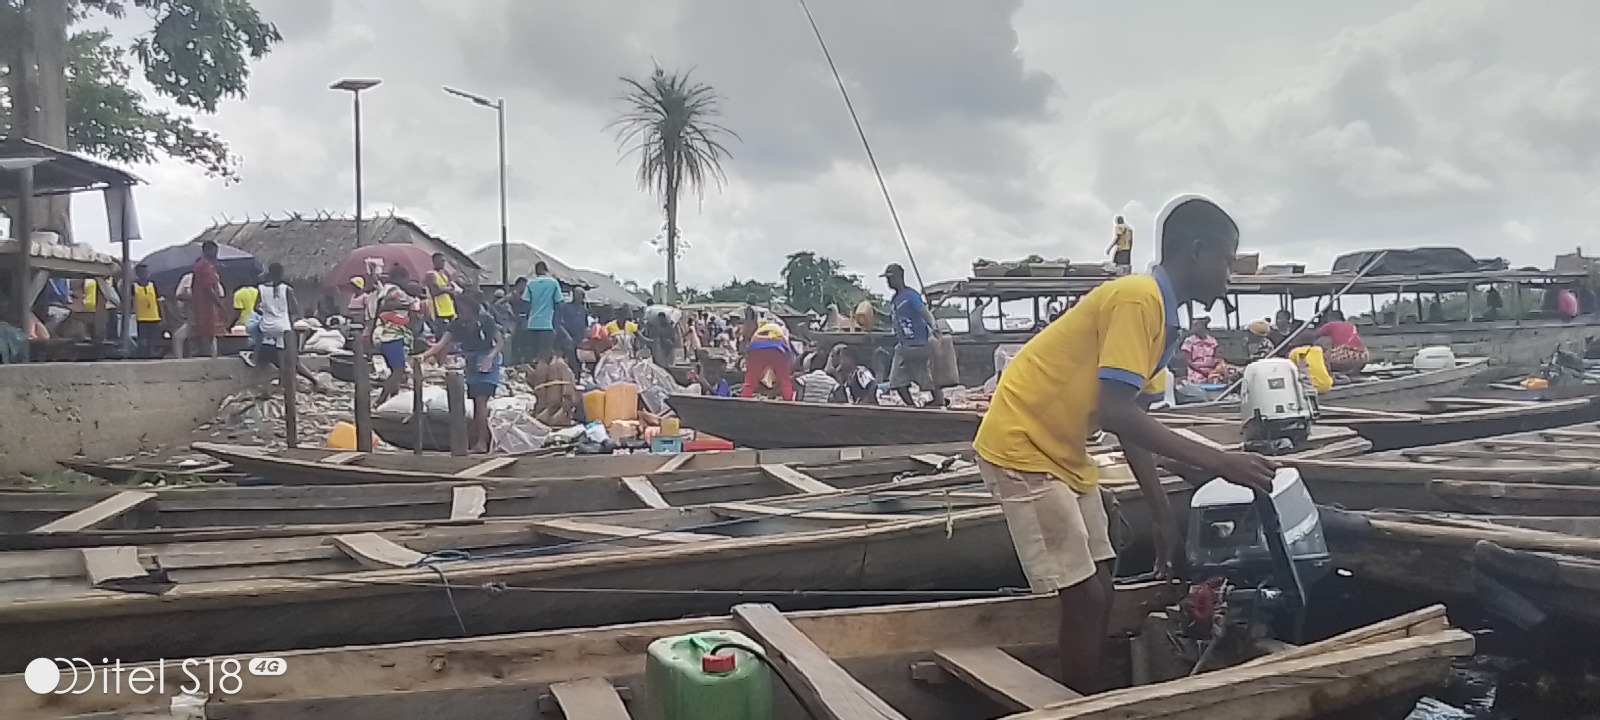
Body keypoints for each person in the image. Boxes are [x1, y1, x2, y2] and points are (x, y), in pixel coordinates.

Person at [973, 194, 1276, 693]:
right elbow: (1117, 412)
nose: (1229, 276)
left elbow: (1135, 422)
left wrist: (1162, 517)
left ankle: (1087, 692)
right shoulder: (1139, 298)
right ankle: (1081, 704)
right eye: (1226, 261)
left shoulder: (1166, 323)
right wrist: (1221, 462)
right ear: (1196, 252)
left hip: (1063, 451)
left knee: (1103, 581)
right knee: (1086, 596)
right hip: (1021, 443)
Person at [420, 290, 504, 452]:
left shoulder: (486, 321)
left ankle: (482, 442)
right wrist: (423, 356)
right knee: (476, 402)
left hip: (487, 361)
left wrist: (490, 358)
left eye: (462, 309)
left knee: (481, 400)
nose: (460, 313)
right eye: (458, 309)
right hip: (472, 363)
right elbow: (440, 344)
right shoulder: (457, 325)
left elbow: (499, 343)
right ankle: (480, 439)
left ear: (471, 309)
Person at [253, 262, 328, 390]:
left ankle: (255, 359)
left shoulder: (261, 288)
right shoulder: (287, 289)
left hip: (266, 326)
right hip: (283, 326)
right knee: (288, 358)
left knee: (274, 354)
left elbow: (256, 308)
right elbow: (295, 310)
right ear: (281, 274)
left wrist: (268, 312)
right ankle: (286, 384)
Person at [883, 263, 944, 408]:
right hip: (903, 345)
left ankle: (938, 399)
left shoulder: (911, 296)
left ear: (899, 277)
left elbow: (925, 313)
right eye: (887, 279)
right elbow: (893, 318)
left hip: (918, 343)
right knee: (896, 380)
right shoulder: (895, 299)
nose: (888, 282)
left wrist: (934, 327)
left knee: (924, 376)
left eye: (890, 278)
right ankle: (911, 405)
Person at [372, 266, 419, 405]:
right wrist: (411, 305)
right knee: (398, 371)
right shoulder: (394, 291)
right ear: (400, 279)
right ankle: (380, 400)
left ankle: (392, 400)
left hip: (388, 335)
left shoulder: (386, 290)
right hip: (391, 336)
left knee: (396, 371)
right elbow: (390, 304)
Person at [187, 241, 227, 358]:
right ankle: (207, 358)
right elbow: (208, 288)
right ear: (207, 251)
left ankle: (206, 356)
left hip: (201, 304)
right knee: (208, 332)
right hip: (206, 305)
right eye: (214, 251)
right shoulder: (205, 266)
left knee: (205, 332)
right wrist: (219, 304)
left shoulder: (200, 266)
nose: (216, 254)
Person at [521, 261, 563, 364]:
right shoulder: (553, 283)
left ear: (535, 271)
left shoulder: (531, 283)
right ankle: (543, 372)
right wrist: (557, 325)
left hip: (532, 324)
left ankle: (533, 371)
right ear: (546, 270)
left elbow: (526, 304)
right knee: (545, 355)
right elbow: (558, 304)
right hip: (547, 324)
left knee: (532, 355)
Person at [741, 321, 795, 400]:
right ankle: (789, 400)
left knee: (750, 380)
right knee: (785, 381)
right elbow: (788, 353)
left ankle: (744, 399)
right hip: (777, 350)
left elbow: (749, 351)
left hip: (757, 349)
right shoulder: (780, 332)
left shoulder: (758, 332)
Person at [1312, 309, 1368, 374]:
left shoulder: (1329, 326)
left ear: (1329, 318)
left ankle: (1326, 371)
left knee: (1319, 347)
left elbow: (1316, 337)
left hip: (1342, 357)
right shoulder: (1351, 326)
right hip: (1361, 357)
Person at [132, 264, 164, 358]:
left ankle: (152, 357)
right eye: (142, 272)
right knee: (142, 340)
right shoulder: (133, 286)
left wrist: (162, 317)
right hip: (140, 318)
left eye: (146, 272)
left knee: (153, 340)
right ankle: (143, 357)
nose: (145, 274)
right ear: (138, 274)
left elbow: (160, 301)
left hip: (154, 317)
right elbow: (130, 301)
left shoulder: (153, 285)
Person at [1180, 316, 1221, 383]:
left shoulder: (1212, 341)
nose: (1195, 328)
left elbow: (1217, 357)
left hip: (1212, 370)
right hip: (1195, 370)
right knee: (1198, 380)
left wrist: (1212, 368)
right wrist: (1201, 370)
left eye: (1197, 325)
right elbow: (1187, 360)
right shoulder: (1189, 341)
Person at [425, 253, 461, 325]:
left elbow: (452, 289)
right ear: (435, 261)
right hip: (439, 310)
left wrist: (446, 288)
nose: (443, 263)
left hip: (449, 308)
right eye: (441, 260)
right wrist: (447, 290)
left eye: (444, 261)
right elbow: (434, 291)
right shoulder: (431, 274)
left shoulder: (444, 275)